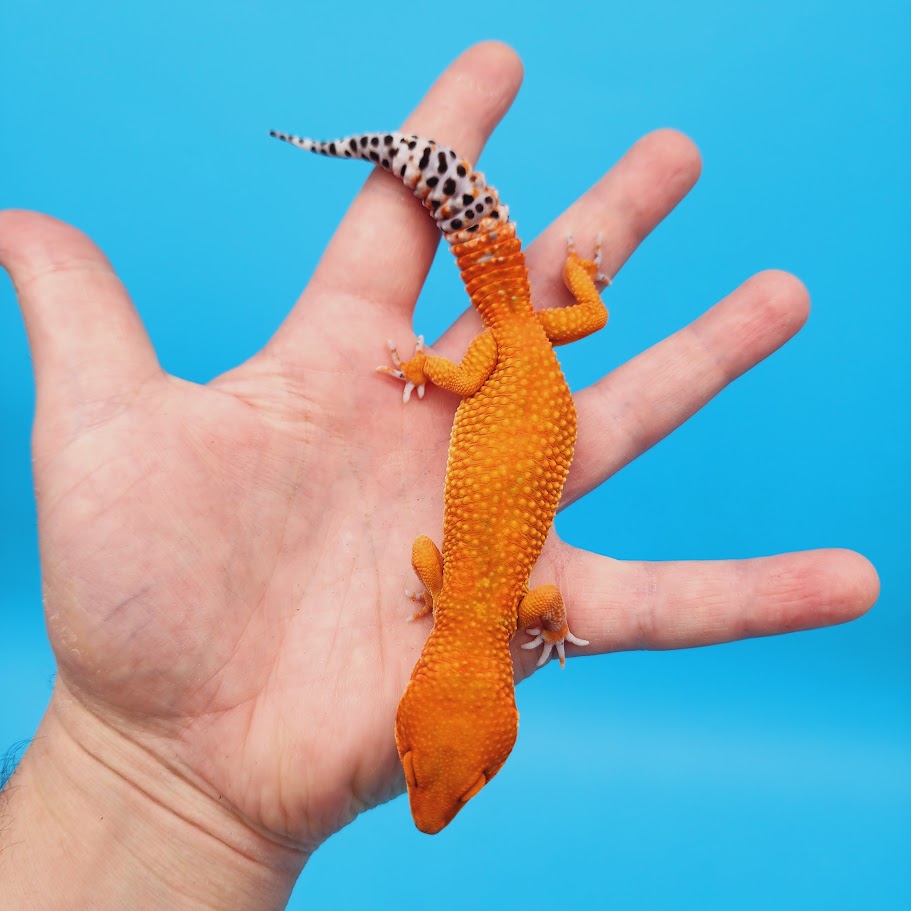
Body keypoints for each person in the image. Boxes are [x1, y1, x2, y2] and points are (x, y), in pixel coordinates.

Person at [0, 42, 878, 909]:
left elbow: (535, 605)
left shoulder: (518, 616)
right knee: (473, 355)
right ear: (476, 727)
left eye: (422, 770)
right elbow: (423, 552)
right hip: (510, 353)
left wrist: (550, 619)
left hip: (521, 348)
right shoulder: (448, 590)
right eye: (442, 775)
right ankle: (482, 269)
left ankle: (574, 284)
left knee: (568, 322)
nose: (428, 794)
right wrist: (436, 386)